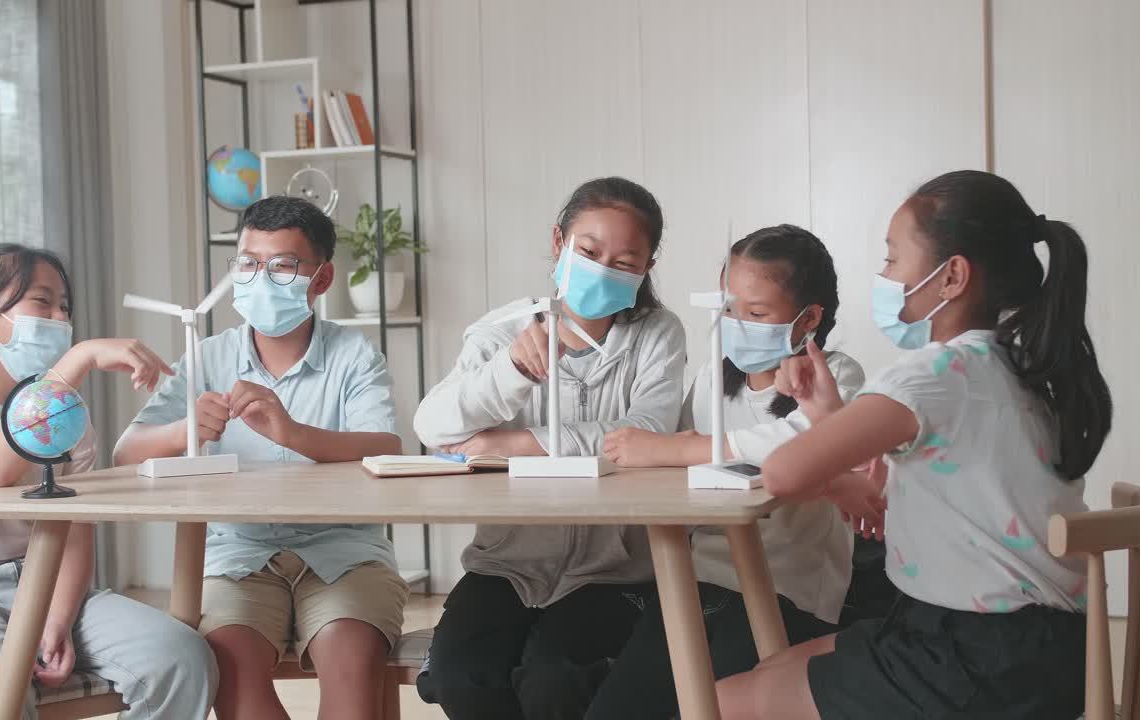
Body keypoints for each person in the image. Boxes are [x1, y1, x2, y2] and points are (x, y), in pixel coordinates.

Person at [717, 170, 1112, 720]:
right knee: (772, 670)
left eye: (892, 259)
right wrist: (829, 416)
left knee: (713, 703)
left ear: (951, 276)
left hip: (979, 659)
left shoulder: (934, 372)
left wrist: (826, 461)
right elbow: (927, 479)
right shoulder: (1015, 365)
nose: (883, 276)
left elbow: (783, 474)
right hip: (1038, 647)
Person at [113, 196, 408, 720]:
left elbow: (384, 448)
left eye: (282, 266)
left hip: (345, 551)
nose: (260, 278)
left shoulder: (354, 355)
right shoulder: (207, 356)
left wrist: (293, 433)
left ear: (321, 279)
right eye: (248, 263)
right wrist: (185, 430)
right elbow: (125, 452)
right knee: (228, 667)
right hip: (237, 556)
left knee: (352, 663)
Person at [0, 243, 216, 720]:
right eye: (42, 302)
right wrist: (78, 360)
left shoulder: (68, 416)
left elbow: (74, 531)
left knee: (183, 657)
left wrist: (58, 620)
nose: (59, 318)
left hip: (42, 581)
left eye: (64, 307)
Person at [411, 177, 686, 720]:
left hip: (616, 570)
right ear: (558, 242)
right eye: (590, 251)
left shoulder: (657, 334)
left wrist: (510, 444)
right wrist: (512, 369)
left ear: (647, 268)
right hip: (506, 563)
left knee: (557, 681)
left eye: (626, 261)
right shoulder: (500, 332)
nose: (605, 269)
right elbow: (432, 426)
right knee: (461, 677)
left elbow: (642, 437)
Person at [590, 224, 864, 719]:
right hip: (698, 581)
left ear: (809, 319)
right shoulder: (713, 378)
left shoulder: (836, 376)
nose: (737, 322)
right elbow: (669, 459)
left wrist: (679, 448)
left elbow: (792, 448)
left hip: (790, 590)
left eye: (756, 313)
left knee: (706, 708)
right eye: (728, 308)